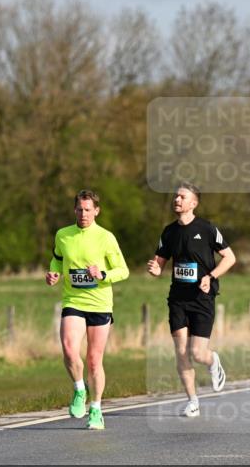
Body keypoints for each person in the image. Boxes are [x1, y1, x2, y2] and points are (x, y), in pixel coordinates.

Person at [147, 184, 236, 417]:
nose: (176, 199)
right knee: (181, 351)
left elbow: (230, 257)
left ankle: (212, 360)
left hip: (202, 297)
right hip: (177, 298)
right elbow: (160, 263)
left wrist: (211, 276)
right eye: (176, 195)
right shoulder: (168, 232)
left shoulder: (206, 228)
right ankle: (193, 401)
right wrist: (155, 270)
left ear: (193, 203)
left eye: (182, 196)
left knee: (197, 352)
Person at [46, 190, 129, 430]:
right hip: (73, 300)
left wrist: (102, 275)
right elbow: (58, 260)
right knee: (70, 349)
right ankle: (79, 390)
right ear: (74, 210)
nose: (83, 214)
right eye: (80, 209)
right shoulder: (63, 235)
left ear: (96, 211)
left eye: (88, 209)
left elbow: (122, 270)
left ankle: (96, 409)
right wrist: (54, 273)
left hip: (100, 304)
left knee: (94, 361)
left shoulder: (106, 237)